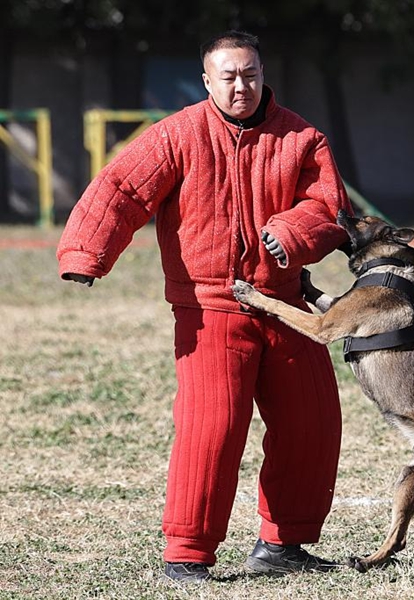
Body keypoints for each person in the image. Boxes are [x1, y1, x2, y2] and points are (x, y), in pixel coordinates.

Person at [57, 30, 353, 582]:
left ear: (263, 75)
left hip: (285, 305)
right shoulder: (176, 135)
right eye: (229, 76)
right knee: (211, 429)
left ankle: (283, 546)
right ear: (207, 81)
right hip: (208, 307)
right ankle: (188, 553)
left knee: (313, 423)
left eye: (250, 74)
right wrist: (85, 252)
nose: (241, 86)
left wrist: (292, 232)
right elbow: (121, 190)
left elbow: (328, 203)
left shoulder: (302, 137)